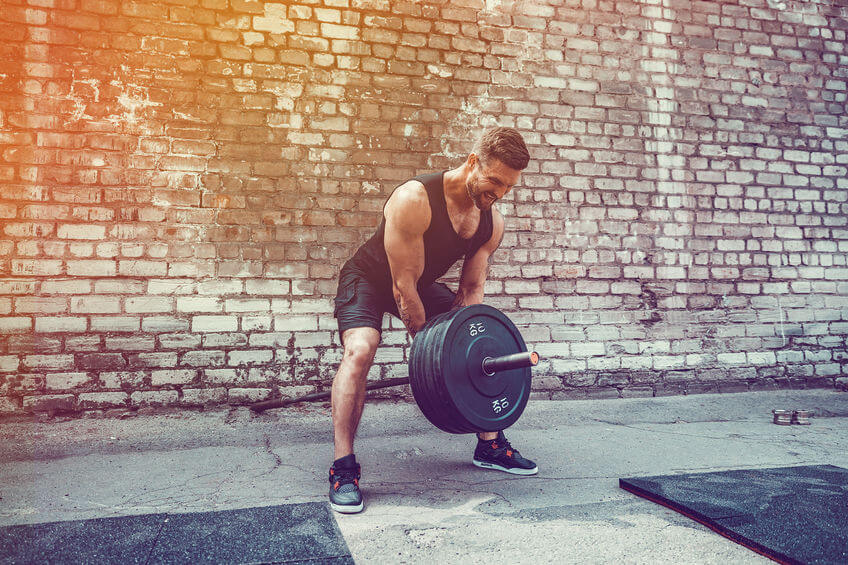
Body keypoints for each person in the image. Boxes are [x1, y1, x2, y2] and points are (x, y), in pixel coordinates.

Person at [328, 127, 537, 514]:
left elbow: (471, 291)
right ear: (473, 163)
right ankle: (343, 467)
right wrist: (431, 356)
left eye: (508, 187)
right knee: (361, 350)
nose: (499, 194)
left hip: (420, 281)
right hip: (370, 278)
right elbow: (402, 287)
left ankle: (490, 444)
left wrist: (461, 349)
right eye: (494, 181)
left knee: (471, 335)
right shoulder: (415, 199)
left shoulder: (491, 222)